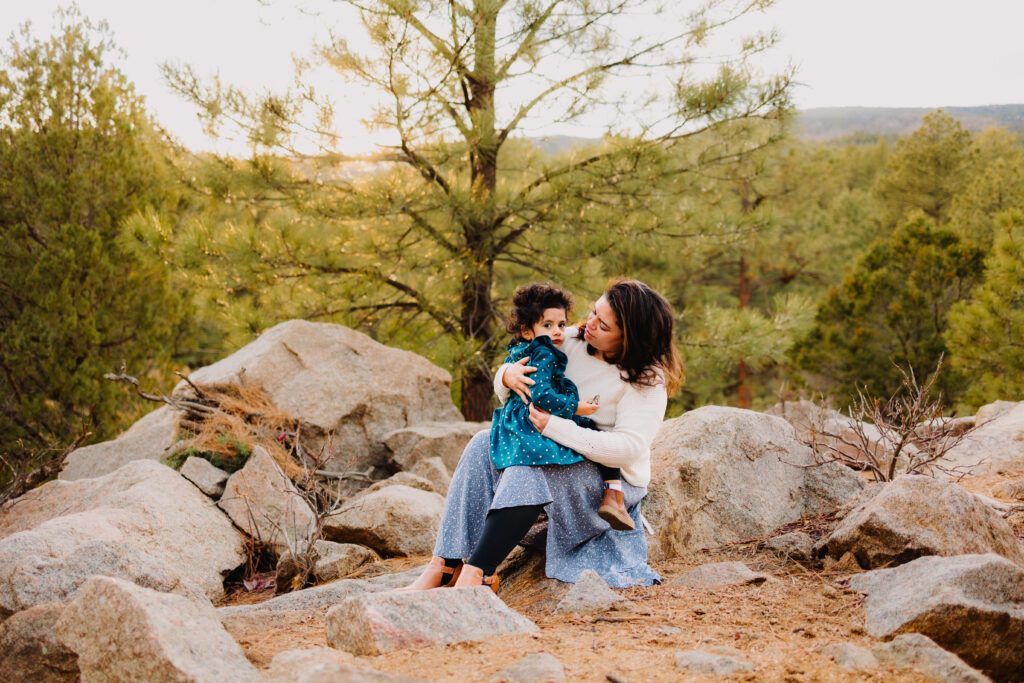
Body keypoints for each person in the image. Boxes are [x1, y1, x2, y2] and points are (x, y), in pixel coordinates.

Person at [402, 279, 683, 592]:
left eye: (603, 325)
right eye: (593, 312)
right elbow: (521, 366)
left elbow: (627, 449)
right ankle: (444, 565)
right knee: (483, 442)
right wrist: (506, 376)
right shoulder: (571, 339)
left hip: (607, 478)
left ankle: (478, 573)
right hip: (554, 447)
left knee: (529, 469)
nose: (589, 324)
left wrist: (555, 427)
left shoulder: (645, 380)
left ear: (630, 339)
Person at [489, 283, 635, 530]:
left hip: (524, 419)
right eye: (593, 313)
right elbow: (542, 394)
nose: (560, 331)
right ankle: (613, 493)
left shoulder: (538, 341)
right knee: (528, 471)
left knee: (600, 440)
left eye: (560, 324)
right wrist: (575, 407)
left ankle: (465, 563)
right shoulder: (546, 349)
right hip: (537, 420)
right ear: (527, 331)